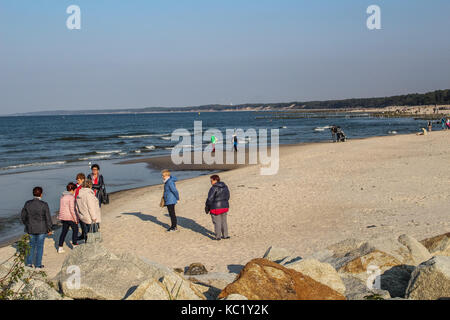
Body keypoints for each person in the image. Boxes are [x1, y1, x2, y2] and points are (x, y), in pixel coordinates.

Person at [20, 187, 53, 268]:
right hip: (41, 228)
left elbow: (23, 216)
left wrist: (26, 224)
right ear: (41, 194)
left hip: (31, 227)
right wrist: (49, 229)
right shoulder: (44, 204)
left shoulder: (28, 203)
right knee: (39, 246)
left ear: (33, 194)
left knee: (31, 246)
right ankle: (38, 264)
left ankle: (29, 263)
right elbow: (48, 217)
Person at [205, 175, 230, 241]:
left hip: (216, 208)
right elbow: (228, 196)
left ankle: (218, 236)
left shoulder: (213, 188)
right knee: (224, 221)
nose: (211, 182)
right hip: (224, 206)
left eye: (211, 180)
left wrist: (207, 206)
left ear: (215, 180)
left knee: (217, 222)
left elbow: (210, 199)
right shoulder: (225, 186)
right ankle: (225, 235)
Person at [57, 183, 79, 253]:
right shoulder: (71, 197)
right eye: (74, 190)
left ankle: (60, 247)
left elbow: (61, 208)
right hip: (70, 217)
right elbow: (72, 209)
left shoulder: (62, 197)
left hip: (63, 217)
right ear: (72, 190)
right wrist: (75, 219)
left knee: (64, 232)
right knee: (75, 229)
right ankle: (75, 244)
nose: (75, 191)